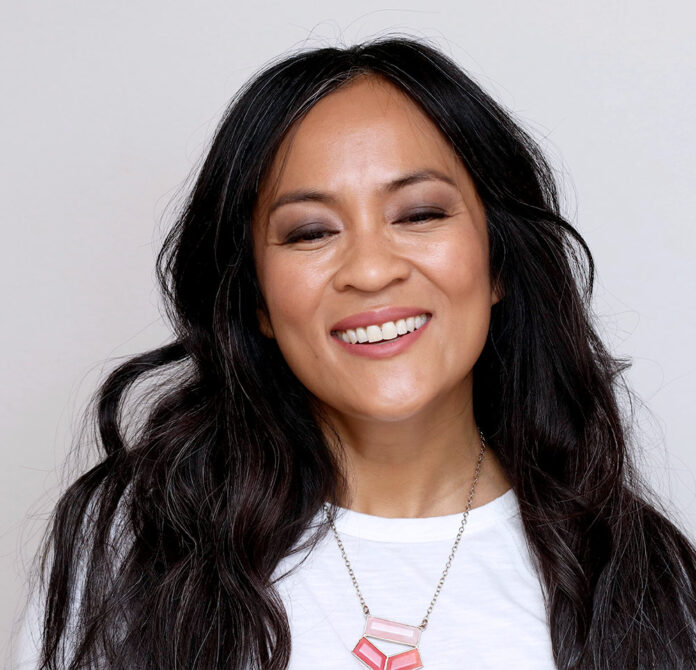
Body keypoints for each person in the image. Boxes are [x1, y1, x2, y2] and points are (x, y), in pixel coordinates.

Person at [18, 35, 696, 670]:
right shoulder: (137, 546)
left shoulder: (644, 579)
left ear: (498, 264)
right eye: (310, 232)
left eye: (420, 214)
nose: (370, 271)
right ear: (258, 300)